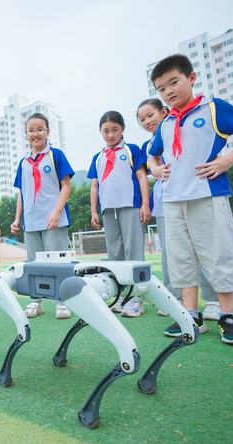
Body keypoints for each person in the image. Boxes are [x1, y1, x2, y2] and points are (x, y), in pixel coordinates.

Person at [148, 54, 233, 345]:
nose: (169, 91)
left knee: (218, 254)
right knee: (181, 258)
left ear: (191, 77)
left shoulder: (212, 108)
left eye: (173, 82)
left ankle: (227, 317)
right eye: (162, 88)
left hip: (207, 194)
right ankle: (190, 315)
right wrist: (155, 168)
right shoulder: (166, 122)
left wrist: (228, 160)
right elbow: (154, 153)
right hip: (173, 200)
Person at [137, 99, 222, 321]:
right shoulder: (150, 147)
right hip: (165, 203)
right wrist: (155, 170)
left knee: (201, 250)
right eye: (142, 119)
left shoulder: (184, 130)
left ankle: (212, 299)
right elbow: (152, 167)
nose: (147, 122)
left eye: (150, 115)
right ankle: (174, 298)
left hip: (192, 196)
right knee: (171, 254)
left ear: (164, 112)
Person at [11, 113, 75, 319]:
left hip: (53, 220)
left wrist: (57, 211)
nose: (35, 133)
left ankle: (61, 302)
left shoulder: (56, 155)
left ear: (47, 132)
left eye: (39, 129)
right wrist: (17, 219)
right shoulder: (23, 163)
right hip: (31, 222)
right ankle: (35, 302)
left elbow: (66, 185)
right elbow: (22, 192)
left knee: (57, 262)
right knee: (32, 264)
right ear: (26, 134)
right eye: (31, 130)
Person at [88, 110, 151, 318]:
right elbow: (95, 186)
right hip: (108, 209)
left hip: (131, 205)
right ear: (100, 131)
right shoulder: (98, 157)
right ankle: (121, 295)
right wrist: (94, 210)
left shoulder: (131, 150)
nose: (110, 135)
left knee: (134, 251)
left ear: (123, 128)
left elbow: (142, 177)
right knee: (114, 254)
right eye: (106, 131)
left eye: (114, 130)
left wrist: (145, 205)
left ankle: (137, 298)